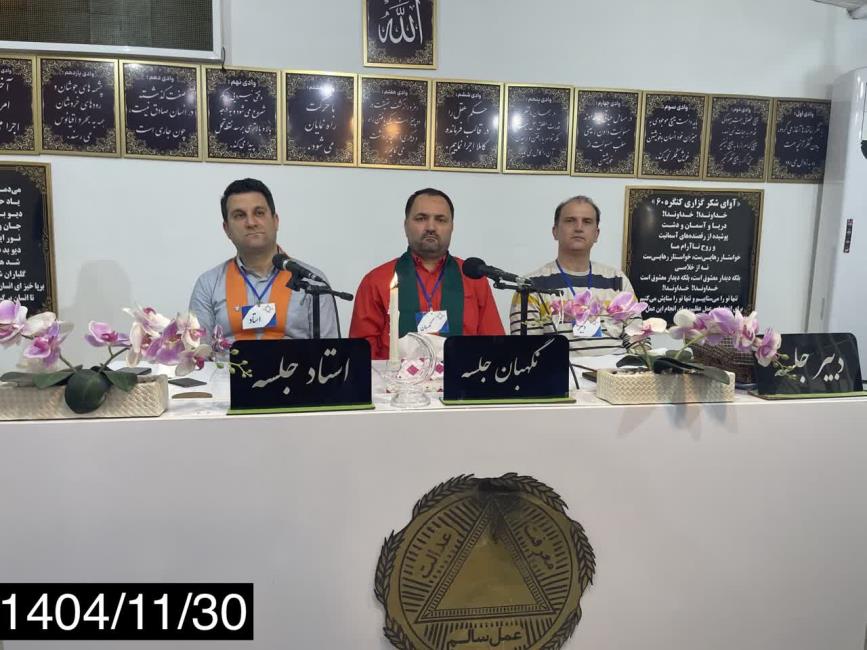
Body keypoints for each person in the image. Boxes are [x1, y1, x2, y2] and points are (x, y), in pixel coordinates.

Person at [349, 188, 504, 359]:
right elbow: (361, 356)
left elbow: (494, 347)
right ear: (406, 226)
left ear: (452, 227)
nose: (431, 227)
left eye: (440, 220)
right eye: (421, 218)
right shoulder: (376, 281)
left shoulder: (473, 278)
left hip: (463, 375)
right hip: (394, 376)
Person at [189, 178, 337, 341]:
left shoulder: (312, 281)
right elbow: (199, 351)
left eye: (259, 213)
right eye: (239, 215)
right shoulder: (208, 285)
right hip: (229, 359)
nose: (251, 222)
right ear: (227, 229)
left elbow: (330, 351)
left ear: (275, 221)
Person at [510, 195, 636, 356]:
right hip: (562, 372)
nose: (578, 227)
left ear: (596, 234)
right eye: (570, 220)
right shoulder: (531, 286)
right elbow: (528, 354)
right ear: (555, 231)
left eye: (587, 221)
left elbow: (637, 337)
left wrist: (640, 369)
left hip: (618, 371)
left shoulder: (617, 280)